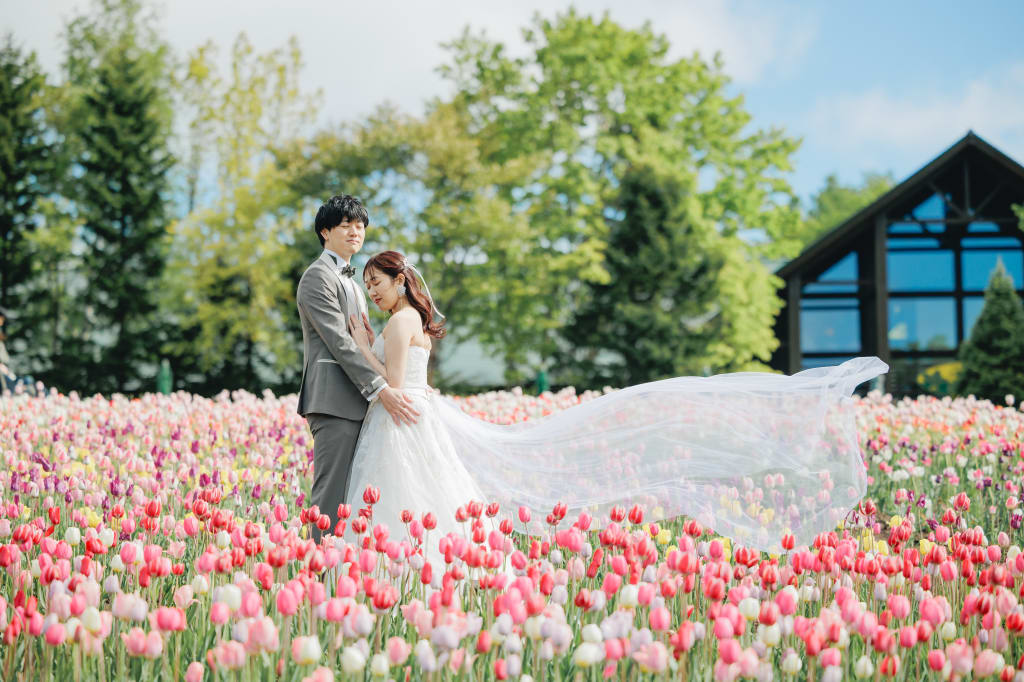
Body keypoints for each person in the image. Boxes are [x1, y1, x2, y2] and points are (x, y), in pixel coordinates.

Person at [343, 248, 889, 557]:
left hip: (402, 418)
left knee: (405, 494)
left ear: (399, 281)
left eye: (378, 282)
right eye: (367, 284)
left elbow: (390, 381)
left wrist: (357, 344)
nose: (373, 290)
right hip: (420, 412)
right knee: (433, 492)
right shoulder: (413, 321)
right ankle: (438, 559)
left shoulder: (397, 322)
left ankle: (398, 562)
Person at [295, 195, 420, 543]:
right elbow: (339, 342)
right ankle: (317, 574)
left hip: (361, 403)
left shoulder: (352, 281)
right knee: (331, 496)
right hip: (334, 401)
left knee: (353, 498)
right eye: (345, 224)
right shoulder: (317, 277)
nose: (355, 231)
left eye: (360, 225)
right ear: (325, 231)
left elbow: (363, 342)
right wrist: (382, 388)